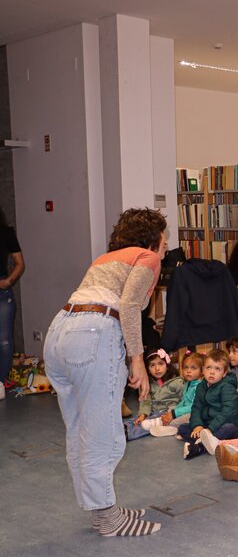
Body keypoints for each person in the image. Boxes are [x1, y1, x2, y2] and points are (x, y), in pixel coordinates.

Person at [44, 208, 166, 536]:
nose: (166, 246)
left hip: (60, 331)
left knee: (79, 429)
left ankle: (100, 510)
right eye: (164, 239)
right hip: (94, 332)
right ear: (154, 239)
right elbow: (127, 307)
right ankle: (110, 518)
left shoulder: (105, 258)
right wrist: (137, 359)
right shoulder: (147, 257)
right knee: (104, 432)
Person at [182, 349, 238, 457]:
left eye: (217, 369)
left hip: (228, 423)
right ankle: (206, 440)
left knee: (228, 429)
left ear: (224, 373)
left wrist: (210, 429)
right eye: (208, 367)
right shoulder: (201, 386)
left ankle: (200, 446)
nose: (212, 372)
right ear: (203, 370)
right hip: (208, 423)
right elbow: (196, 407)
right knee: (183, 428)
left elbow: (227, 412)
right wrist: (198, 425)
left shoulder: (227, 387)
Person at [127, 349, 184, 440]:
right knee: (135, 421)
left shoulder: (177, 382)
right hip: (153, 413)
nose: (157, 368)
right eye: (152, 365)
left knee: (145, 426)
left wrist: (173, 412)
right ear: (147, 369)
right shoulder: (147, 383)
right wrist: (143, 414)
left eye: (161, 364)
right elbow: (146, 401)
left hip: (169, 414)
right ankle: (124, 428)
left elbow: (185, 400)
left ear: (167, 365)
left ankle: (128, 434)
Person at [146, 351, 204, 438]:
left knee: (186, 417)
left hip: (196, 413)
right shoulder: (188, 383)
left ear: (202, 371)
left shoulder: (200, 386)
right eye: (185, 367)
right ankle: (170, 427)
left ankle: (163, 425)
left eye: (193, 368)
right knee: (171, 413)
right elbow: (183, 401)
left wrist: (174, 414)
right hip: (187, 411)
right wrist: (173, 412)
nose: (188, 371)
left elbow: (194, 406)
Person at [0, 207, 25, 401]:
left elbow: (19, 262)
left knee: (4, 340)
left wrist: (8, 281)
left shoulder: (6, 232)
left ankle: (1, 381)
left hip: (1, 291)